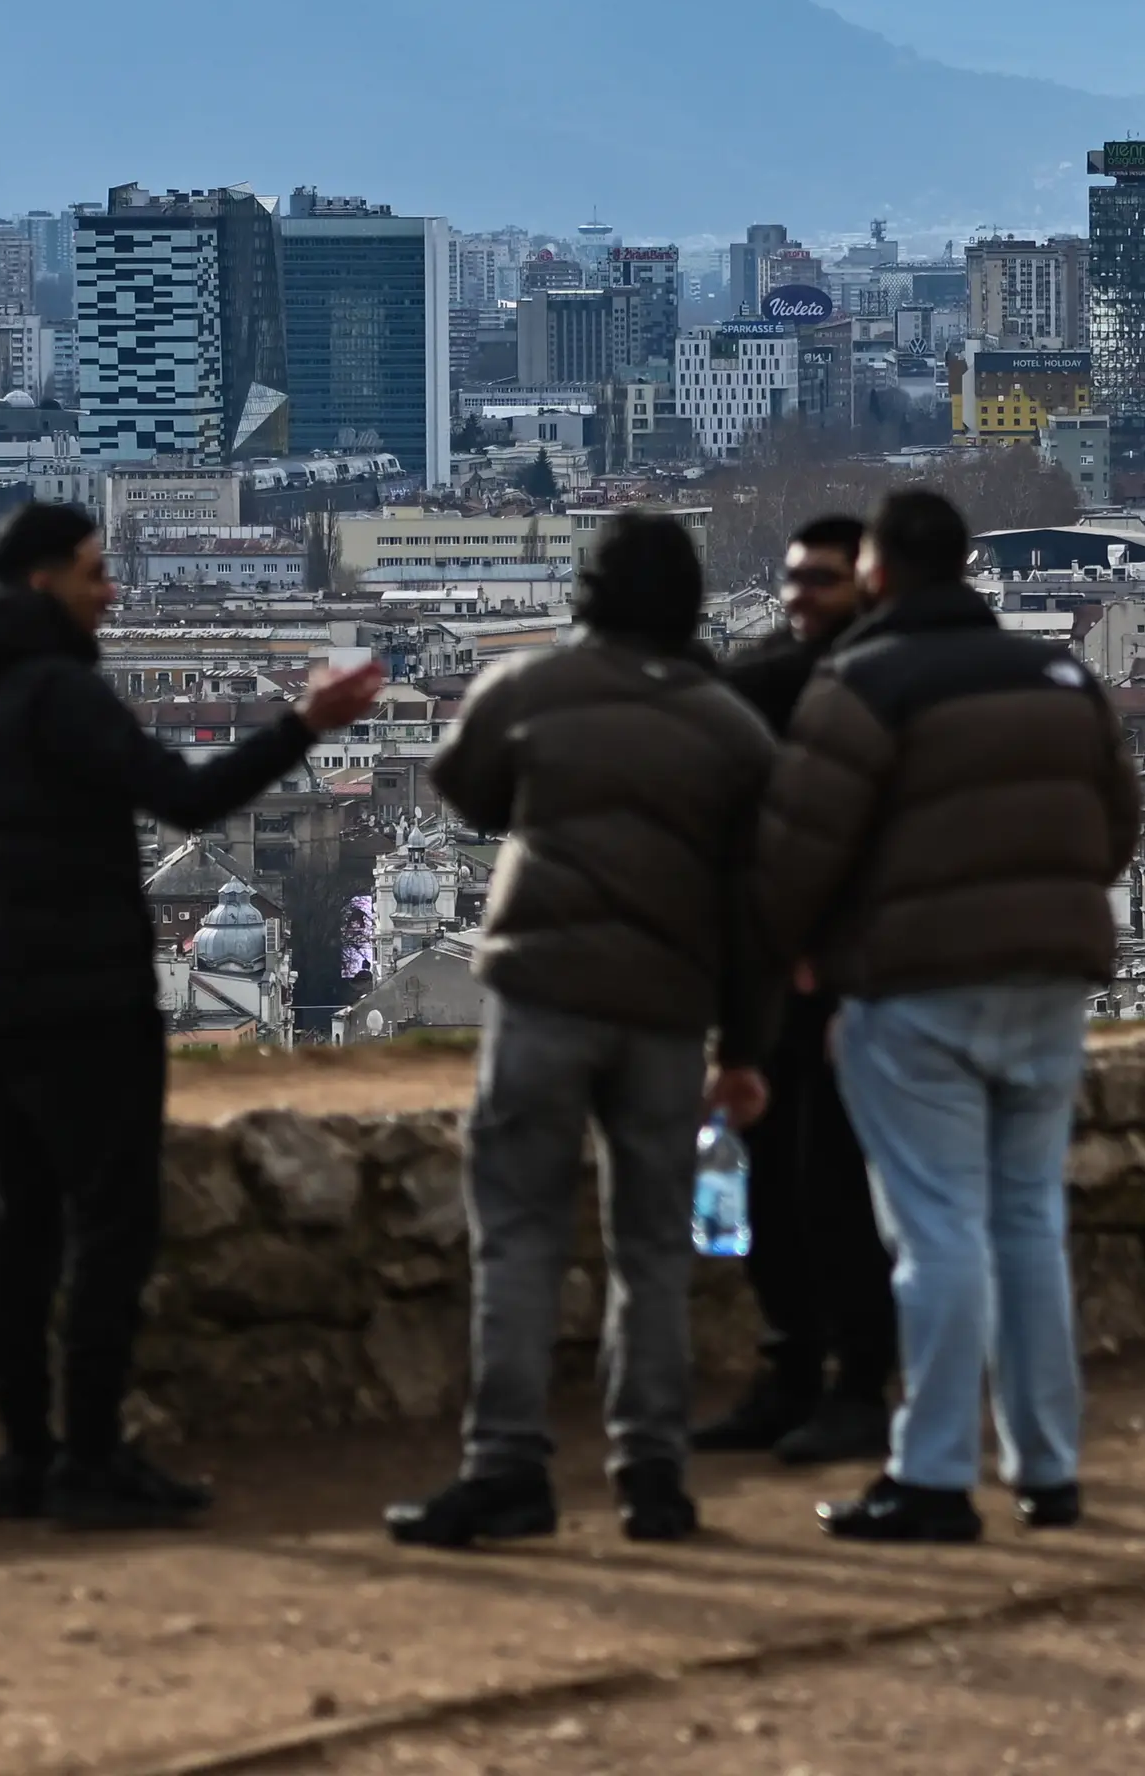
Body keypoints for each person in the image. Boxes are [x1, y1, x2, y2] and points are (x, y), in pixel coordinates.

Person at [0, 502, 385, 1529]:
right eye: (94, 572)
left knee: (21, 1220)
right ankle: (91, 1456)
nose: (111, 590)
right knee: (111, 1220)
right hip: (82, 985)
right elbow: (187, 796)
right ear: (44, 582)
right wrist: (306, 724)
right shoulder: (63, 692)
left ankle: (25, 1457)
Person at [385, 513, 778, 1551]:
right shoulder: (731, 726)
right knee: (651, 1244)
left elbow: (464, 786)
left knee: (518, 1234)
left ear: (586, 593)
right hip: (665, 1003)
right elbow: (754, 903)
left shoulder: (531, 688)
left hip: (546, 986)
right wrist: (744, 1047)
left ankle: (506, 1465)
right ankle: (653, 1474)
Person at [758, 487, 1143, 1544]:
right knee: (1028, 1222)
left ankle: (930, 1475)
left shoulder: (863, 681)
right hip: (1050, 980)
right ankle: (1046, 1466)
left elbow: (801, 843)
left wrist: (796, 950)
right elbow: (1116, 826)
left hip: (915, 984)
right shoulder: (1061, 674)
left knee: (934, 1232)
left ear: (876, 574)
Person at [695, 514, 900, 1467]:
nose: (799, 594)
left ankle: (858, 1383)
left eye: (821, 578)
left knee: (837, 1188)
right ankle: (791, 1374)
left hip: (850, 972)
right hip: (777, 967)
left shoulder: (860, 680)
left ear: (865, 582)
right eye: (793, 577)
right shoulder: (778, 673)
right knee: (780, 1181)